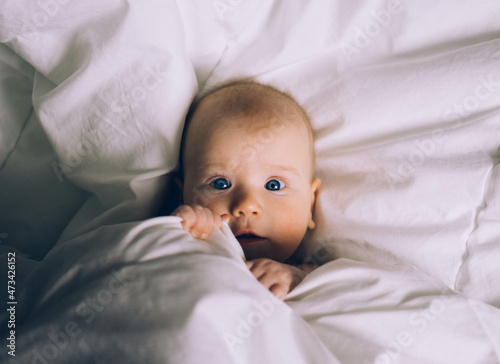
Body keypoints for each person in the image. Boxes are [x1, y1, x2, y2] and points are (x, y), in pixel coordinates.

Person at [172, 79, 321, 300]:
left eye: (274, 185)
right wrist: (176, 230)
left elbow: (331, 289)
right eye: (220, 184)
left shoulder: (311, 272)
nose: (246, 205)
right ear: (183, 195)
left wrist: (294, 277)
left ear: (310, 203)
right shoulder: (187, 237)